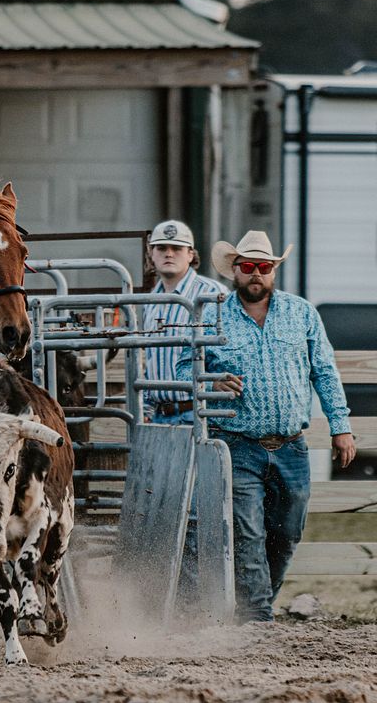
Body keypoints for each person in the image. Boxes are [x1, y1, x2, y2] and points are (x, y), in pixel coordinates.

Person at [176, 230, 356, 623]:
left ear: (273, 270)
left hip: (291, 444)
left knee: (288, 532)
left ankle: (255, 605)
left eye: (263, 266)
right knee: (247, 533)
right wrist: (212, 382)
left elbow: (325, 372)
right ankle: (257, 617)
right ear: (234, 271)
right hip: (237, 443)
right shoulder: (211, 314)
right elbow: (183, 368)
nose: (255, 273)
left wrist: (340, 427)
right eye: (247, 266)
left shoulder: (302, 313)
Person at [142, 219, 225, 425]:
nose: (169, 254)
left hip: (200, 412)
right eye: (161, 248)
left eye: (177, 248)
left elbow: (227, 354)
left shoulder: (213, 293)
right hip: (159, 416)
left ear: (190, 254)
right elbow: (148, 360)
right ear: (151, 254)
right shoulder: (150, 301)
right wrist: (146, 409)